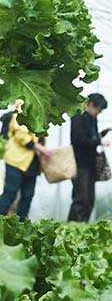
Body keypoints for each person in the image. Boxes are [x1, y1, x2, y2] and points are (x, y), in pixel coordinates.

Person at [0, 111, 52, 221]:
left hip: (32, 162)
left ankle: (21, 225)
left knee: (28, 195)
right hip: (16, 159)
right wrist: (40, 148)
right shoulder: (21, 107)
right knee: (10, 192)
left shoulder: (43, 110)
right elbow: (21, 135)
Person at [68, 93, 110, 222]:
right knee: (81, 197)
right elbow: (78, 140)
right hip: (80, 163)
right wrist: (99, 141)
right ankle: (73, 225)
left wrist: (106, 131)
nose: (99, 113)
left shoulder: (92, 119)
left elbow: (93, 138)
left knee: (89, 199)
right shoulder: (78, 117)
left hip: (90, 163)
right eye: (99, 109)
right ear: (91, 104)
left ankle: (83, 224)